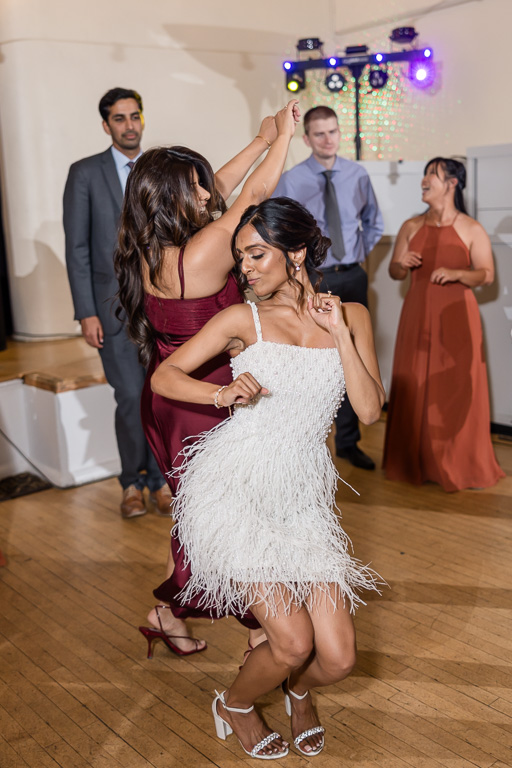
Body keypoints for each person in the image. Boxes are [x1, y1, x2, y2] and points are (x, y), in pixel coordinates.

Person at [150, 197, 385, 759]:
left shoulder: (351, 314)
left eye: (256, 254)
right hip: (237, 488)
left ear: (296, 253)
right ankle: (234, 703)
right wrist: (220, 392)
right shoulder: (240, 319)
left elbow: (370, 410)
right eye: (240, 258)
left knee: (337, 657)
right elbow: (164, 375)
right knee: (290, 640)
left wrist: (340, 334)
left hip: (304, 495)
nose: (245, 268)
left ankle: (298, 692)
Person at [114, 102, 300, 656]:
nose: (203, 196)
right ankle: (260, 625)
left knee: (202, 516)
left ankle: (168, 613)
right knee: (229, 518)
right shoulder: (203, 251)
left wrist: (259, 137)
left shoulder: (152, 244)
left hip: (169, 395)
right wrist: (283, 138)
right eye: (190, 190)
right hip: (201, 399)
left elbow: (216, 188)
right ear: (169, 199)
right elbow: (249, 196)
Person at [63, 87, 170, 519]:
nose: (130, 125)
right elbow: (78, 249)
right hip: (111, 307)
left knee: (162, 394)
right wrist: (86, 311)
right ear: (106, 126)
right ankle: (131, 483)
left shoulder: (160, 170)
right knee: (129, 395)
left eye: (135, 116)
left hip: (162, 303)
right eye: (120, 119)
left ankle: (162, 480)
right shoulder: (85, 173)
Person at [383, 157, 505, 492]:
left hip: (457, 316)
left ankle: (458, 461)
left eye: (432, 175)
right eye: (424, 174)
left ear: (452, 183)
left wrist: (457, 274)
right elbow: (394, 272)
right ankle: (415, 461)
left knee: (453, 386)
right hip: (417, 312)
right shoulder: (410, 226)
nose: (423, 179)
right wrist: (401, 264)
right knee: (415, 383)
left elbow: (487, 274)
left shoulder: (471, 228)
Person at [273, 105, 384, 470]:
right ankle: (314, 440)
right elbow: (283, 232)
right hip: (316, 276)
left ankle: (349, 442)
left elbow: (373, 221)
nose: (328, 139)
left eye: (333, 132)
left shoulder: (357, 174)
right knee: (322, 357)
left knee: (354, 355)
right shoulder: (291, 180)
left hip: (352, 274)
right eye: (319, 133)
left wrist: (357, 253)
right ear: (306, 139)